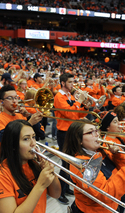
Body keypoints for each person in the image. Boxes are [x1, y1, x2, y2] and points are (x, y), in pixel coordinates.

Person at [63, 120, 125, 213]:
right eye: (91, 132)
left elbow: (123, 169)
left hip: (112, 204)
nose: (97, 134)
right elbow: (106, 194)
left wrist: (117, 156)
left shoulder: (99, 150)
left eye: (97, 130)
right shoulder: (80, 164)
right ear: (79, 140)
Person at [0, 120, 61, 213]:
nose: (33, 143)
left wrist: (50, 171)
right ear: (13, 145)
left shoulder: (35, 164)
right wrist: (40, 185)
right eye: (26, 139)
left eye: (33, 137)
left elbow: (56, 194)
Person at [53, 73, 91, 204]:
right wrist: (79, 101)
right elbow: (70, 114)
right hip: (64, 133)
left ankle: (67, 187)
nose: (72, 85)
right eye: (70, 82)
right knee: (66, 164)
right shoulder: (59, 96)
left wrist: (85, 106)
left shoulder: (69, 95)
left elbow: (78, 114)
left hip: (73, 132)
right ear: (63, 83)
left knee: (71, 162)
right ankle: (60, 193)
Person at [0, 85, 44, 154]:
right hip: (10, 160)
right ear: (1, 102)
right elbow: (7, 140)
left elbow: (41, 134)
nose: (14, 101)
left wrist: (28, 116)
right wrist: (29, 123)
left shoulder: (21, 116)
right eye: (10, 98)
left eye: (16, 98)